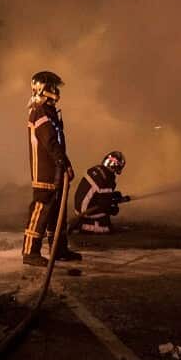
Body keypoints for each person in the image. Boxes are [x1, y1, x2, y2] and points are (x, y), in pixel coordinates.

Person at [23, 71, 81, 265]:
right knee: (41, 210)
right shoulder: (39, 112)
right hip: (45, 172)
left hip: (55, 169)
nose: (56, 91)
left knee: (57, 213)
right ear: (41, 88)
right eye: (53, 87)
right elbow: (49, 142)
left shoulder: (49, 111)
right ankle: (30, 252)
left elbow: (57, 143)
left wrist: (65, 164)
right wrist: (63, 163)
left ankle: (59, 249)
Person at [74, 150, 128, 233]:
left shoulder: (96, 169)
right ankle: (84, 226)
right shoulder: (108, 178)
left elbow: (96, 192)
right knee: (106, 227)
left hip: (79, 208)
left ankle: (84, 222)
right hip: (85, 213)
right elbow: (104, 204)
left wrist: (112, 195)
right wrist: (112, 209)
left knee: (105, 212)